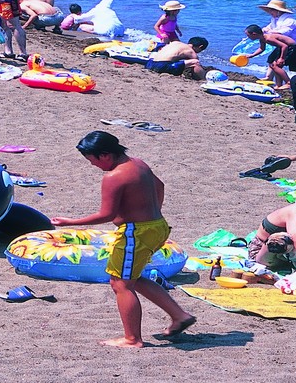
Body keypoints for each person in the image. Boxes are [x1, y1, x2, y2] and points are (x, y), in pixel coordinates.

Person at [51, 130, 196, 347]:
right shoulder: (139, 164)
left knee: (119, 283)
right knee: (133, 278)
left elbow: (106, 214)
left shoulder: (113, 176)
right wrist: (150, 212)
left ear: (105, 155)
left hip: (136, 233)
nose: (92, 165)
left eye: (92, 160)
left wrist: (69, 222)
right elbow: (160, 186)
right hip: (157, 227)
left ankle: (132, 339)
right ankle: (180, 316)